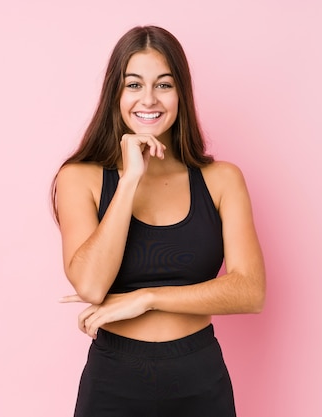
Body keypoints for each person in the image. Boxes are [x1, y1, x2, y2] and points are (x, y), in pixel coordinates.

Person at [52, 25, 265, 417]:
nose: (148, 99)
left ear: (181, 93)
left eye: (163, 85)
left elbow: (251, 292)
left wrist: (146, 299)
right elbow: (91, 284)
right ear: (115, 93)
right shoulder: (80, 177)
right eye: (133, 85)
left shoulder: (221, 179)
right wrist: (130, 177)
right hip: (113, 383)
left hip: (200, 380)